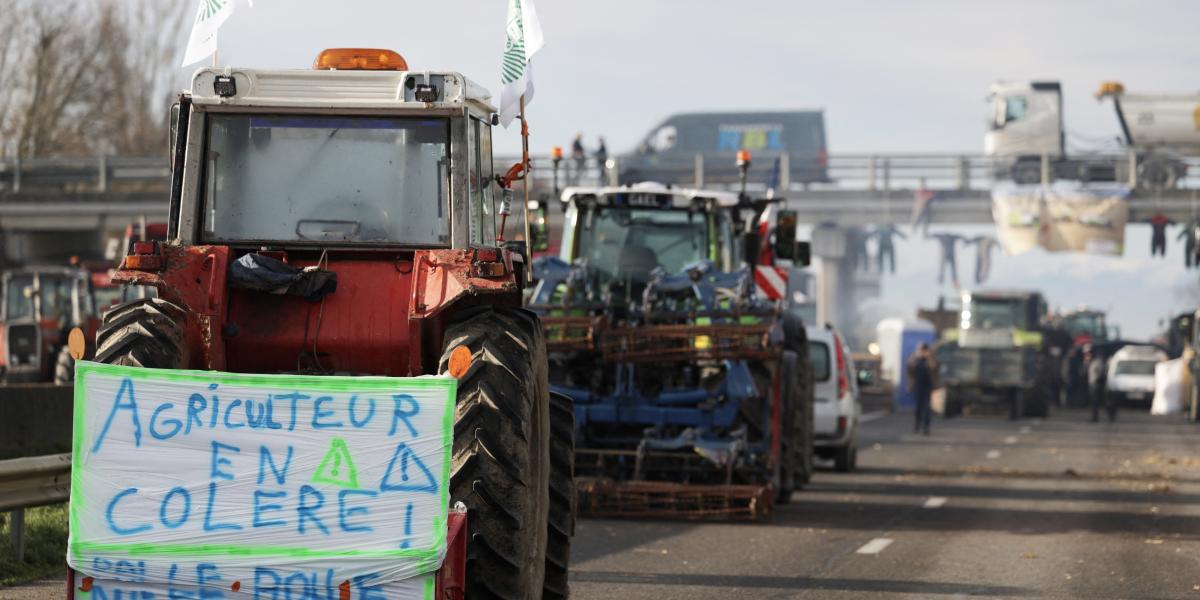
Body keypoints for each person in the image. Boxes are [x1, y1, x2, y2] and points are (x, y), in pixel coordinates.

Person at [906, 342, 936, 435]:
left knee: (927, 409)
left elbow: (934, 367)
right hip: (917, 387)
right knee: (918, 408)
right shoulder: (915, 359)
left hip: (928, 387)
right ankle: (917, 424)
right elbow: (910, 369)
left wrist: (929, 358)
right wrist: (917, 356)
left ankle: (926, 427)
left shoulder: (930, 359)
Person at [1085, 347, 1113, 423]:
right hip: (1093, 384)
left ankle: (1110, 414)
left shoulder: (1097, 361)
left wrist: (1097, 381)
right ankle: (1095, 417)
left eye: (1089, 354)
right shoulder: (1091, 362)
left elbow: (1101, 373)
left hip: (1097, 385)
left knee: (1099, 402)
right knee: (1095, 403)